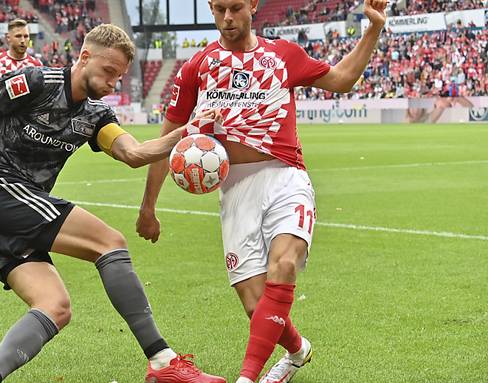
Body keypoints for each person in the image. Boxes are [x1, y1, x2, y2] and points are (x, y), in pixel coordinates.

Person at [0, 24, 226, 383]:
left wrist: (186, 132)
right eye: (109, 71)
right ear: (84, 57)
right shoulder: (36, 82)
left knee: (55, 307)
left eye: (120, 76)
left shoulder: (96, 116)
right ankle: (162, 361)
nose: (114, 82)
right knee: (109, 242)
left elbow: (134, 153)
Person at [135, 1, 388, 383]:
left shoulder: (283, 55)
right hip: (234, 190)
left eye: (235, 8)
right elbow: (166, 139)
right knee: (258, 308)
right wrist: (148, 207)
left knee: (284, 266)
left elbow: (341, 79)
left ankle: (247, 378)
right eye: (219, 9)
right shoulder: (196, 69)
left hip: (285, 177)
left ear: (253, 5)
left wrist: (373, 30)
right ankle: (298, 350)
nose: (227, 18)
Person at [0, 19, 43, 93]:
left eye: (26, 36)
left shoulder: (37, 65)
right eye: (18, 36)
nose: (23, 40)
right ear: (8, 38)